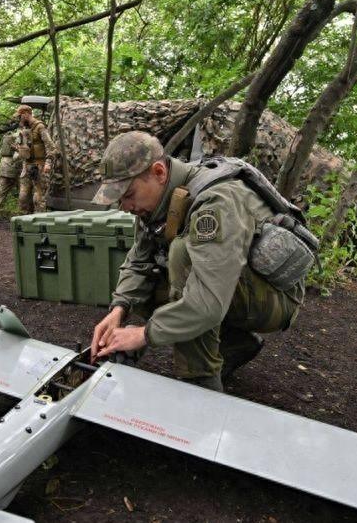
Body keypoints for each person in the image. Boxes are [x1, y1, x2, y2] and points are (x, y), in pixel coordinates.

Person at [89, 131, 308, 392]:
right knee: (147, 286)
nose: (124, 206)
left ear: (159, 172)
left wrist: (143, 335)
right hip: (232, 286)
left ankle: (201, 383)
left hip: (274, 299)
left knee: (181, 254)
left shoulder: (215, 202)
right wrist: (119, 310)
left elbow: (207, 303)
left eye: (128, 194)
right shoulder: (160, 198)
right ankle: (233, 343)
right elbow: (139, 260)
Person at [14, 104, 56, 213]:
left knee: (39, 198)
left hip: (39, 165)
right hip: (26, 165)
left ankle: (40, 222)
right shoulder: (24, 128)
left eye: (20, 116)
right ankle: (25, 221)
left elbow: (51, 147)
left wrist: (48, 163)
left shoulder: (40, 127)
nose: (19, 118)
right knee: (23, 197)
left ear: (27, 114)